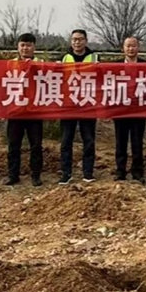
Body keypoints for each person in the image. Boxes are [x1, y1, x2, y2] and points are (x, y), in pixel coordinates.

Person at [59, 29, 99, 185]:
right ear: (71, 41)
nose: (77, 42)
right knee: (66, 141)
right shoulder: (64, 58)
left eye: (80, 39)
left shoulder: (95, 58)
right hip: (68, 105)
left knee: (88, 140)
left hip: (87, 105)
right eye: (74, 39)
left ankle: (88, 172)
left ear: (86, 41)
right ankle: (66, 173)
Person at [5, 33, 44, 186]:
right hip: (15, 110)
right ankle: (13, 175)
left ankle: (36, 175)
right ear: (18, 47)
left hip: (34, 111)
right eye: (22, 45)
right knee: (13, 145)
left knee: (36, 145)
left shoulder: (41, 64)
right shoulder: (10, 64)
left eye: (28, 45)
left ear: (34, 47)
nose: (25, 48)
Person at [113, 37, 146, 184]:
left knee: (137, 141)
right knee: (120, 141)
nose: (131, 49)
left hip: (139, 109)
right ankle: (120, 171)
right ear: (123, 48)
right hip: (120, 109)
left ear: (138, 48)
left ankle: (137, 171)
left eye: (133, 46)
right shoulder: (114, 66)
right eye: (128, 46)